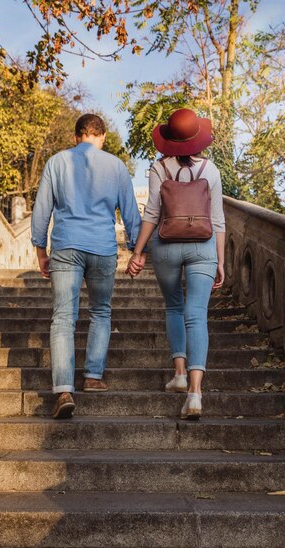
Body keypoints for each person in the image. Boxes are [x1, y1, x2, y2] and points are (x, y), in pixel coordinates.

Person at [31, 113, 142, 419]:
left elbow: (42, 209)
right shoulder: (116, 166)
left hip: (66, 245)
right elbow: (130, 211)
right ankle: (93, 377)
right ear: (102, 136)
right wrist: (137, 250)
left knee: (63, 317)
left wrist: (41, 250)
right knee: (101, 311)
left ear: (76, 136)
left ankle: (64, 389)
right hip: (102, 247)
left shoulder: (57, 162)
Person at [126, 108, 225, 419]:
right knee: (197, 315)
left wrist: (138, 252)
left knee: (174, 307)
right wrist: (221, 261)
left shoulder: (159, 168)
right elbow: (218, 220)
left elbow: (152, 214)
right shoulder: (211, 170)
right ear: (198, 139)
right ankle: (195, 394)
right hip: (203, 246)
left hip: (167, 246)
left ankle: (179, 374)